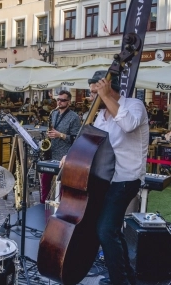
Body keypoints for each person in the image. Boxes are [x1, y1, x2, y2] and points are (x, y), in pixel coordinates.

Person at [87, 71, 149, 285]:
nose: (92, 97)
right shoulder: (100, 115)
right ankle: (126, 277)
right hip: (106, 180)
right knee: (112, 229)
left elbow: (128, 124)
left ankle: (119, 281)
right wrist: (72, 156)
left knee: (105, 230)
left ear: (106, 87)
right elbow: (92, 146)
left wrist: (105, 97)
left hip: (126, 179)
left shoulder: (134, 105)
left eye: (95, 91)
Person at [40, 90, 81, 204]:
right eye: (58, 99)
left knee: (63, 186)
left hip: (64, 155)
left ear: (69, 102)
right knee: (45, 181)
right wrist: (49, 134)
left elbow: (76, 139)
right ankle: (43, 204)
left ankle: (62, 207)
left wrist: (60, 135)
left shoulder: (74, 117)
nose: (59, 102)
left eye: (63, 100)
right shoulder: (53, 113)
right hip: (51, 152)